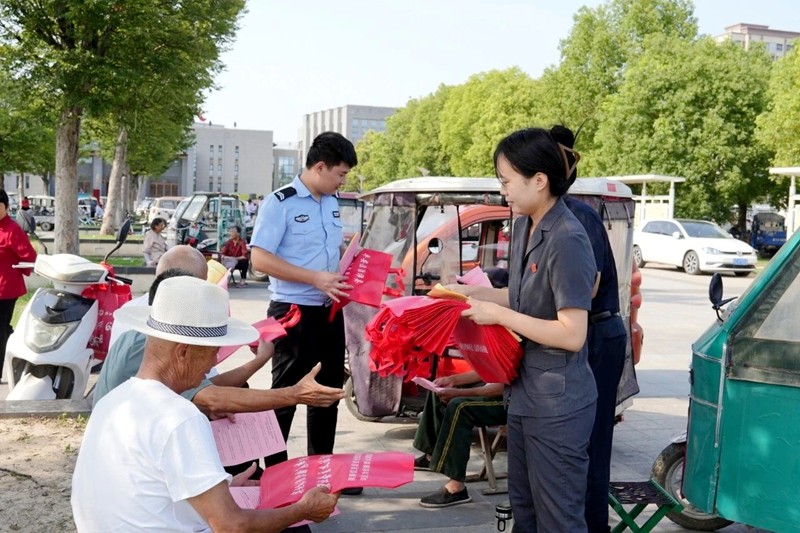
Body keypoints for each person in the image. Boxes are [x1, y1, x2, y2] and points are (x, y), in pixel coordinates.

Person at [72, 276, 339, 531]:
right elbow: (232, 527)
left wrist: (223, 489)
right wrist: (303, 510)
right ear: (183, 352)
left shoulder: (112, 401)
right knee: (291, 524)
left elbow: (145, 490)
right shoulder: (179, 416)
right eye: (213, 352)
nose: (214, 362)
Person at [446, 126, 597, 532]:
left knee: (558, 520)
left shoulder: (567, 238)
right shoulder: (527, 226)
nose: (504, 192)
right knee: (525, 512)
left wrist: (500, 317)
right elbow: (520, 296)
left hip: (558, 405)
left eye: (507, 181)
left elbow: (572, 333)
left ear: (539, 180)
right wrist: (463, 295)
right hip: (526, 395)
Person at [95, 246, 344, 422]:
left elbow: (205, 389)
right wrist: (294, 394)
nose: (214, 359)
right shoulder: (157, 337)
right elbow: (211, 396)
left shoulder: (154, 320)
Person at [250, 132, 357, 482]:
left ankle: (321, 475)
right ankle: (275, 477)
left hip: (329, 309)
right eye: (340, 174)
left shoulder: (331, 201)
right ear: (320, 167)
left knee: (327, 394)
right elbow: (259, 259)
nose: (343, 181)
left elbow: (328, 253)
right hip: (293, 312)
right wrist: (314, 278)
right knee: (284, 397)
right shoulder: (280, 203)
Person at [556, 127, 628, 533]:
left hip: (598, 337)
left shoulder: (576, 218)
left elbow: (587, 287)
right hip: (585, 336)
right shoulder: (544, 218)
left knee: (590, 444)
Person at [413, 370, 506, 508]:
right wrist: (452, 380)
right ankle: (431, 455)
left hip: (511, 401)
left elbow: (503, 387)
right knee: (438, 391)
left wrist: (460, 393)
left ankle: (456, 487)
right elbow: (486, 371)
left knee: (459, 406)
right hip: (495, 391)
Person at [0, 189, 38, 383]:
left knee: (0, 330)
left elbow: (29, 257)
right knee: (4, 330)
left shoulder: (13, 230)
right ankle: (18, 355)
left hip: (5, 289)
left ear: (6, 207)